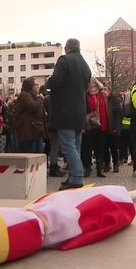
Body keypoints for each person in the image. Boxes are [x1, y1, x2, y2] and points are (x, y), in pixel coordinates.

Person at [46, 38, 91, 190]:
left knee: (68, 146)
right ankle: (72, 176)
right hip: (80, 111)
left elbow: (56, 80)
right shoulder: (85, 65)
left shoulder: (64, 60)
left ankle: (77, 177)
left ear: (68, 47)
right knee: (76, 145)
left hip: (65, 111)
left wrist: (48, 82)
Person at [81, 79, 109, 178]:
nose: (91, 84)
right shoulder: (85, 95)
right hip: (89, 126)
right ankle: (87, 168)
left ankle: (99, 170)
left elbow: (104, 88)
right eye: (89, 82)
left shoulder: (101, 95)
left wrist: (96, 81)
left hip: (101, 126)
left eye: (92, 82)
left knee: (100, 149)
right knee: (87, 149)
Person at [14, 77, 45, 153]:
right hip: (29, 133)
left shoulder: (33, 97)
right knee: (31, 155)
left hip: (35, 131)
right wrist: (40, 99)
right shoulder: (25, 95)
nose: (38, 86)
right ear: (30, 86)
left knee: (38, 156)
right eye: (36, 84)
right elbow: (33, 107)